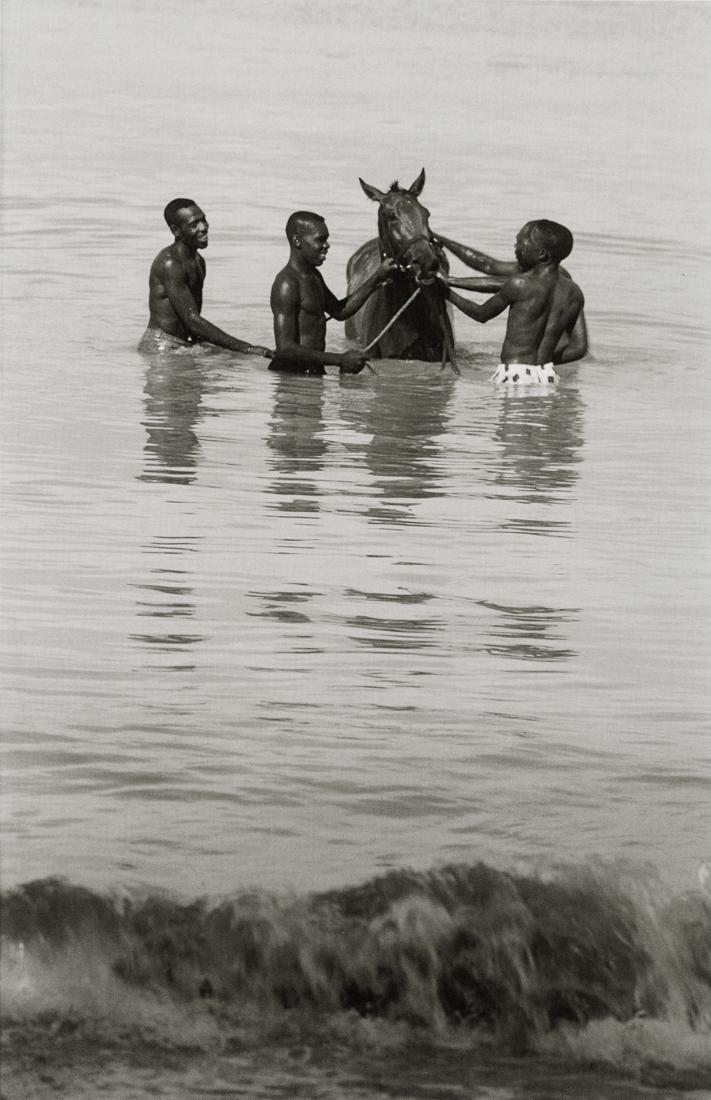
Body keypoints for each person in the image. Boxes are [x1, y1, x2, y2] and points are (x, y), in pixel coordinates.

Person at [436, 220, 587, 383]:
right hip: (547, 375)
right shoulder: (574, 292)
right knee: (538, 409)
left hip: (514, 373)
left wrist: (447, 293)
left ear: (542, 254)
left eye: (523, 242)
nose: (517, 247)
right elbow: (579, 348)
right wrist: (543, 359)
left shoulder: (519, 284)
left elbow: (481, 314)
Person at [138, 198, 272, 357]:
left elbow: (193, 322)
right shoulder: (170, 263)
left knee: (235, 360)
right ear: (176, 231)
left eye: (204, 220)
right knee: (241, 357)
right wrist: (247, 348)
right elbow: (192, 320)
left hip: (185, 342)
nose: (203, 228)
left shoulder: (198, 261)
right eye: (194, 224)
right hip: (161, 346)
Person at [269, 211, 397, 375]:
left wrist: (378, 277)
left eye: (327, 239)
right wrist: (339, 360)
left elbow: (340, 311)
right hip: (292, 377)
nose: (327, 245)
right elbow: (285, 348)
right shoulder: (286, 284)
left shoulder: (313, 276)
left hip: (312, 372)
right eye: (320, 240)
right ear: (297, 241)